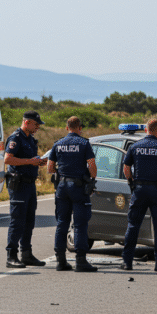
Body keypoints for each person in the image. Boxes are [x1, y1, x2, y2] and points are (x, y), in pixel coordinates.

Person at [121, 119, 157, 272]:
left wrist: (131, 182)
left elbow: (126, 167)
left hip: (139, 190)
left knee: (133, 225)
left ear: (146, 130)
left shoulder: (135, 146)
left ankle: (127, 262)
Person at [47, 116, 98, 272]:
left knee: (62, 222)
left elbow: (50, 168)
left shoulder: (58, 143)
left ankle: (61, 261)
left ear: (66, 127)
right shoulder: (84, 143)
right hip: (78, 187)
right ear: (79, 127)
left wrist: (61, 173)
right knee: (80, 224)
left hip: (62, 186)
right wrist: (92, 179)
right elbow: (92, 165)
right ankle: (81, 261)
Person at [4, 111, 48, 269]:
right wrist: (30, 161)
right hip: (19, 184)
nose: (37, 128)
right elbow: (8, 158)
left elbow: (28, 161)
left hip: (29, 184)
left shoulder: (29, 139)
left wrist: (38, 162)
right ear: (27, 122)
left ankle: (26, 254)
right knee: (17, 220)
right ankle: (11, 255)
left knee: (29, 220)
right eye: (36, 124)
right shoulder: (16, 138)